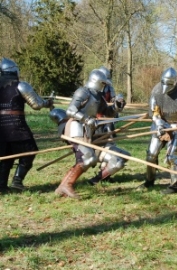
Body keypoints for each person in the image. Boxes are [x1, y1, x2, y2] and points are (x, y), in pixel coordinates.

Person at [54, 69, 125, 199]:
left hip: (87, 129)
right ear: (96, 81)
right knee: (88, 158)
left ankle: (63, 186)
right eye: (102, 83)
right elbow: (70, 110)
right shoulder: (83, 92)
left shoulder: (99, 96)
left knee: (88, 158)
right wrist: (86, 119)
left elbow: (107, 113)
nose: (104, 86)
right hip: (75, 127)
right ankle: (66, 185)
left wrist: (117, 107)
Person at [0, 58, 53, 193]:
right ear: (15, 70)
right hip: (16, 127)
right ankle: (17, 181)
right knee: (30, 151)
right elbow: (36, 105)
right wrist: (47, 103)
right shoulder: (21, 85)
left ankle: (2, 186)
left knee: (6, 156)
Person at [49, 108, 130, 187]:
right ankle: (95, 180)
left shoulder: (78, 120)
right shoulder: (69, 126)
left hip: (103, 144)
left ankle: (105, 175)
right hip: (95, 148)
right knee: (118, 163)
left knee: (125, 155)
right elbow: (81, 140)